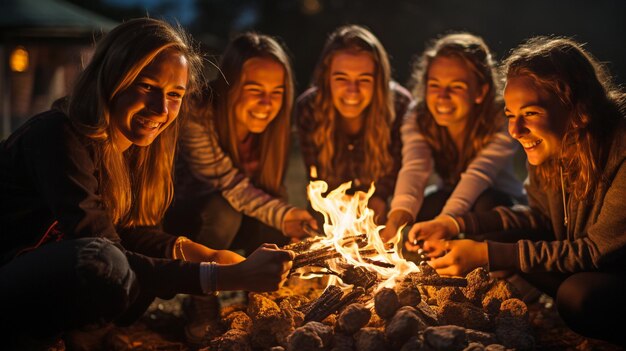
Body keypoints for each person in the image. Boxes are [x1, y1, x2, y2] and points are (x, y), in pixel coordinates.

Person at [0, 18, 294, 346]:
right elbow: (99, 249)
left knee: (137, 268)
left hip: (42, 282)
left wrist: (197, 253)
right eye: (147, 86)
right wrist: (224, 277)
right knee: (108, 264)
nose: (161, 108)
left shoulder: (135, 151)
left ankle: (83, 334)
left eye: (174, 94)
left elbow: (129, 233)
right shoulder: (57, 135)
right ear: (111, 77)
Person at [408, 36, 626, 347]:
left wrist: (488, 254)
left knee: (578, 296)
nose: (515, 131)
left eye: (531, 113)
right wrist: (455, 224)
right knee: (489, 241)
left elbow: (593, 252)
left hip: (611, 272)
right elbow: (538, 216)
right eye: (510, 115)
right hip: (585, 263)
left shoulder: (620, 150)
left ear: (577, 109)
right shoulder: (553, 146)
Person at [164, 32, 317, 255]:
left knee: (274, 225)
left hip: (239, 214)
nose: (267, 103)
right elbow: (226, 183)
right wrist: (283, 214)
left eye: (277, 92)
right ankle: (200, 280)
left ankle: (260, 287)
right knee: (223, 212)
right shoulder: (197, 110)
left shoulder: (274, 128)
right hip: (184, 220)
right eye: (255, 90)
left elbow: (271, 191)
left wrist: (288, 223)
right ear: (230, 85)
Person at [382, 32, 525, 243]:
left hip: (498, 199)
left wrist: (445, 223)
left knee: (485, 204)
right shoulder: (418, 116)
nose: (442, 96)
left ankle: (487, 261)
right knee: (419, 208)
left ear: (480, 92)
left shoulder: (500, 118)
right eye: (434, 85)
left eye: (456, 87)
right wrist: (396, 219)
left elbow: (479, 174)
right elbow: (415, 167)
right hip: (449, 195)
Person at [295, 24, 413, 226]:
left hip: (383, 204)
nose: (352, 90)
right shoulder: (309, 108)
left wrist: (378, 198)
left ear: (379, 80)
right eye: (341, 78)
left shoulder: (399, 106)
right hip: (331, 204)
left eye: (364, 79)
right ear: (326, 78)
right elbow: (315, 175)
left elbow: (398, 169)